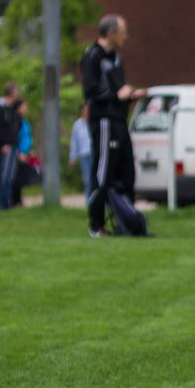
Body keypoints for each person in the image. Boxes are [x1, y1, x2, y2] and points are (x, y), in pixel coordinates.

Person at [82, 14, 146, 238]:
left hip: (120, 121)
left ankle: (127, 222)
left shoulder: (117, 58)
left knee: (127, 173)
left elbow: (119, 90)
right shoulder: (92, 56)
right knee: (103, 175)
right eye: (123, 32)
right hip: (105, 122)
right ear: (110, 33)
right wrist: (116, 95)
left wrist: (130, 96)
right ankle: (96, 225)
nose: (126, 37)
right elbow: (90, 92)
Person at [0, 82, 20, 211]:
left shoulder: (11, 109)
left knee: (9, 176)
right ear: (11, 93)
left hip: (13, 145)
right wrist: (2, 144)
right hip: (4, 146)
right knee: (2, 176)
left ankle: (7, 203)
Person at [69, 102, 93, 203]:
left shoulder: (93, 122)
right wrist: (72, 157)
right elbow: (74, 142)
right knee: (87, 180)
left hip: (94, 153)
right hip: (84, 155)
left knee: (97, 179)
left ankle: (99, 201)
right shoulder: (77, 125)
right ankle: (89, 202)